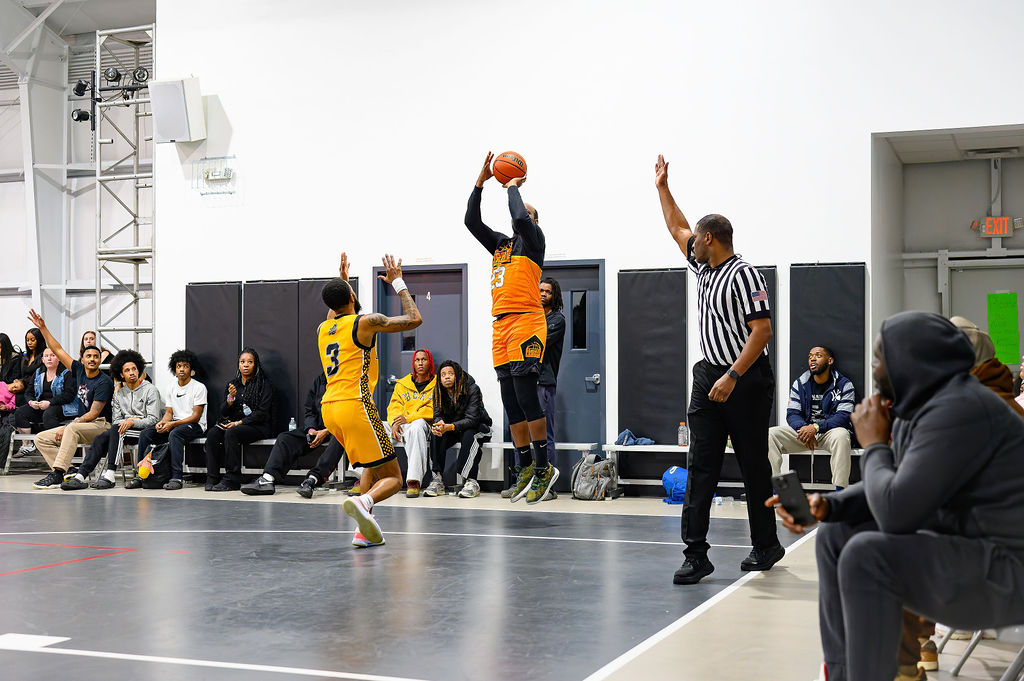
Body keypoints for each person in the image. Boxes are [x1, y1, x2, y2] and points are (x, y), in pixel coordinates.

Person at [769, 312, 1024, 681]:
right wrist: (829, 505)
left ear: (909, 361)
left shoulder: (961, 408)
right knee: (835, 534)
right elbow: (900, 485)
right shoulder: (919, 408)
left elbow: (896, 513)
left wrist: (874, 444)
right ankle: (843, 674)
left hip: (1009, 572)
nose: (874, 370)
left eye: (879, 359)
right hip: (970, 546)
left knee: (867, 556)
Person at [654, 155, 783, 585]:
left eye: (696, 239)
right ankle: (696, 554)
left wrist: (733, 376)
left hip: (745, 379)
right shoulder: (702, 267)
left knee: (753, 465)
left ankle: (766, 544)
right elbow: (676, 227)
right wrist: (662, 188)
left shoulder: (745, 274)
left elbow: (762, 331)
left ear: (709, 238)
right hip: (708, 376)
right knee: (700, 465)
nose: (689, 243)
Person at [465, 152, 556, 504]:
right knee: (510, 401)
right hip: (501, 325)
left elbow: (519, 215)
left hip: (526, 320)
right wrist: (480, 182)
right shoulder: (502, 245)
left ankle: (543, 467)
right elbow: (471, 221)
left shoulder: (534, 241)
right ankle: (525, 467)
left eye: (528, 214)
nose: (521, 216)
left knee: (526, 396)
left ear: (535, 222)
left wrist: (512, 185)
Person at [318, 252, 421, 548]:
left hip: (330, 410)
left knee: (370, 465)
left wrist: (342, 282)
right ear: (352, 295)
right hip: (356, 406)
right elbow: (414, 318)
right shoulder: (365, 322)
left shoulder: (324, 328)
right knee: (394, 478)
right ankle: (364, 502)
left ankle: (363, 531)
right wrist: (398, 282)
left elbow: (336, 308)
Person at [26, 309, 113, 489]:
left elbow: (94, 413)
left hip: (100, 424)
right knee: (40, 438)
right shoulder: (79, 370)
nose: (92, 359)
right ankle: (70, 470)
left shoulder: (104, 381)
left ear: (100, 360)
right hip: (81, 424)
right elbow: (57, 350)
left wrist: (69, 425)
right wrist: (43, 328)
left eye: (96, 357)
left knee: (71, 429)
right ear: (83, 359)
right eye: (88, 356)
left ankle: (57, 474)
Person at [61, 350, 161, 491]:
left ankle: (110, 475)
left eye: (134, 369)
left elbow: (153, 419)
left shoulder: (150, 390)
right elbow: (116, 420)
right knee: (101, 438)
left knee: (117, 430)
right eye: (127, 370)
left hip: (145, 431)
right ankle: (80, 476)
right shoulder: (119, 394)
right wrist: (128, 421)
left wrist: (133, 422)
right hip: (124, 430)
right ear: (121, 375)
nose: (132, 372)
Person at [241, 371, 345, 497]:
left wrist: (328, 430)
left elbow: (348, 412)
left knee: (340, 438)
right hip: (318, 427)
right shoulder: (320, 380)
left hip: (339, 428)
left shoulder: (347, 379)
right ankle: (267, 479)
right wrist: (311, 429)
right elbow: (310, 410)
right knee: (285, 438)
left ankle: (312, 480)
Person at [768, 346, 855, 489]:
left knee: (842, 435)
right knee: (770, 435)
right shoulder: (800, 383)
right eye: (810, 356)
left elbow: (843, 416)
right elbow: (792, 413)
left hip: (828, 433)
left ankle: (840, 492)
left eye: (818, 355)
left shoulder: (844, 384)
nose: (812, 359)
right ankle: (776, 491)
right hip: (805, 433)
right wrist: (805, 430)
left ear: (830, 361)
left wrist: (815, 428)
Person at [128, 349, 208, 490]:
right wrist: (162, 423)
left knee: (175, 434)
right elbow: (169, 412)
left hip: (195, 425)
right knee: (146, 434)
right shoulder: (171, 387)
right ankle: (141, 475)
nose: (181, 369)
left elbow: (196, 416)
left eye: (185, 366)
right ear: (174, 369)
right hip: (175, 423)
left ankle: (177, 477)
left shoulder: (199, 387)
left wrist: (172, 424)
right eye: (179, 366)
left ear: (191, 369)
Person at [204, 348, 274, 491]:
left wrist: (238, 423)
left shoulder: (263, 384)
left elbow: (262, 413)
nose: (246, 365)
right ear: (238, 365)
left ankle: (232, 478)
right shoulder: (233, 385)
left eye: (250, 362)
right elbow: (223, 411)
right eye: (242, 362)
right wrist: (230, 399)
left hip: (258, 426)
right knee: (213, 434)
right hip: (234, 425)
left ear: (255, 364)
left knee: (232, 433)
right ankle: (212, 477)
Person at [424, 360, 492, 498]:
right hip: (453, 428)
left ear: (458, 375)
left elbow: (472, 420)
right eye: (443, 374)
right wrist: (439, 424)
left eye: (450, 373)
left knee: (470, 434)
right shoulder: (438, 391)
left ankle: (471, 481)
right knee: (436, 433)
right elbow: (437, 415)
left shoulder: (472, 389)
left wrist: (450, 426)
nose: (447, 377)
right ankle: (437, 479)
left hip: (479, 427)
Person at [386, 348, 436, 497]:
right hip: (401, 424)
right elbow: (394, 406)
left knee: (417, 426)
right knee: (375, 427)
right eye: (417, 360)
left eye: (424, 359)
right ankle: (362, 476)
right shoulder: (403, 384)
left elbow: (433, 410)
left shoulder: (437, 384)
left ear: (430, 362)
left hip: (422, 424)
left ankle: (413, 481)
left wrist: (408, 418)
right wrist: (394, 423)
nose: (420, 363)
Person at [14, 347, 77, 437]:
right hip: (41, 406)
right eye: (46, 356)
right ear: (43, 360)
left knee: (49, 414)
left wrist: (50, 402)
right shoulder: (38, 372)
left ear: (59, 358)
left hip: (62, 406)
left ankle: (53, 442)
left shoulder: (67, 373)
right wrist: (31, 402)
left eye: (53, 355)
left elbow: (69, 395)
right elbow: (28, 392)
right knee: (20, 412)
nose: (49, 358)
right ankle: (27, 443)